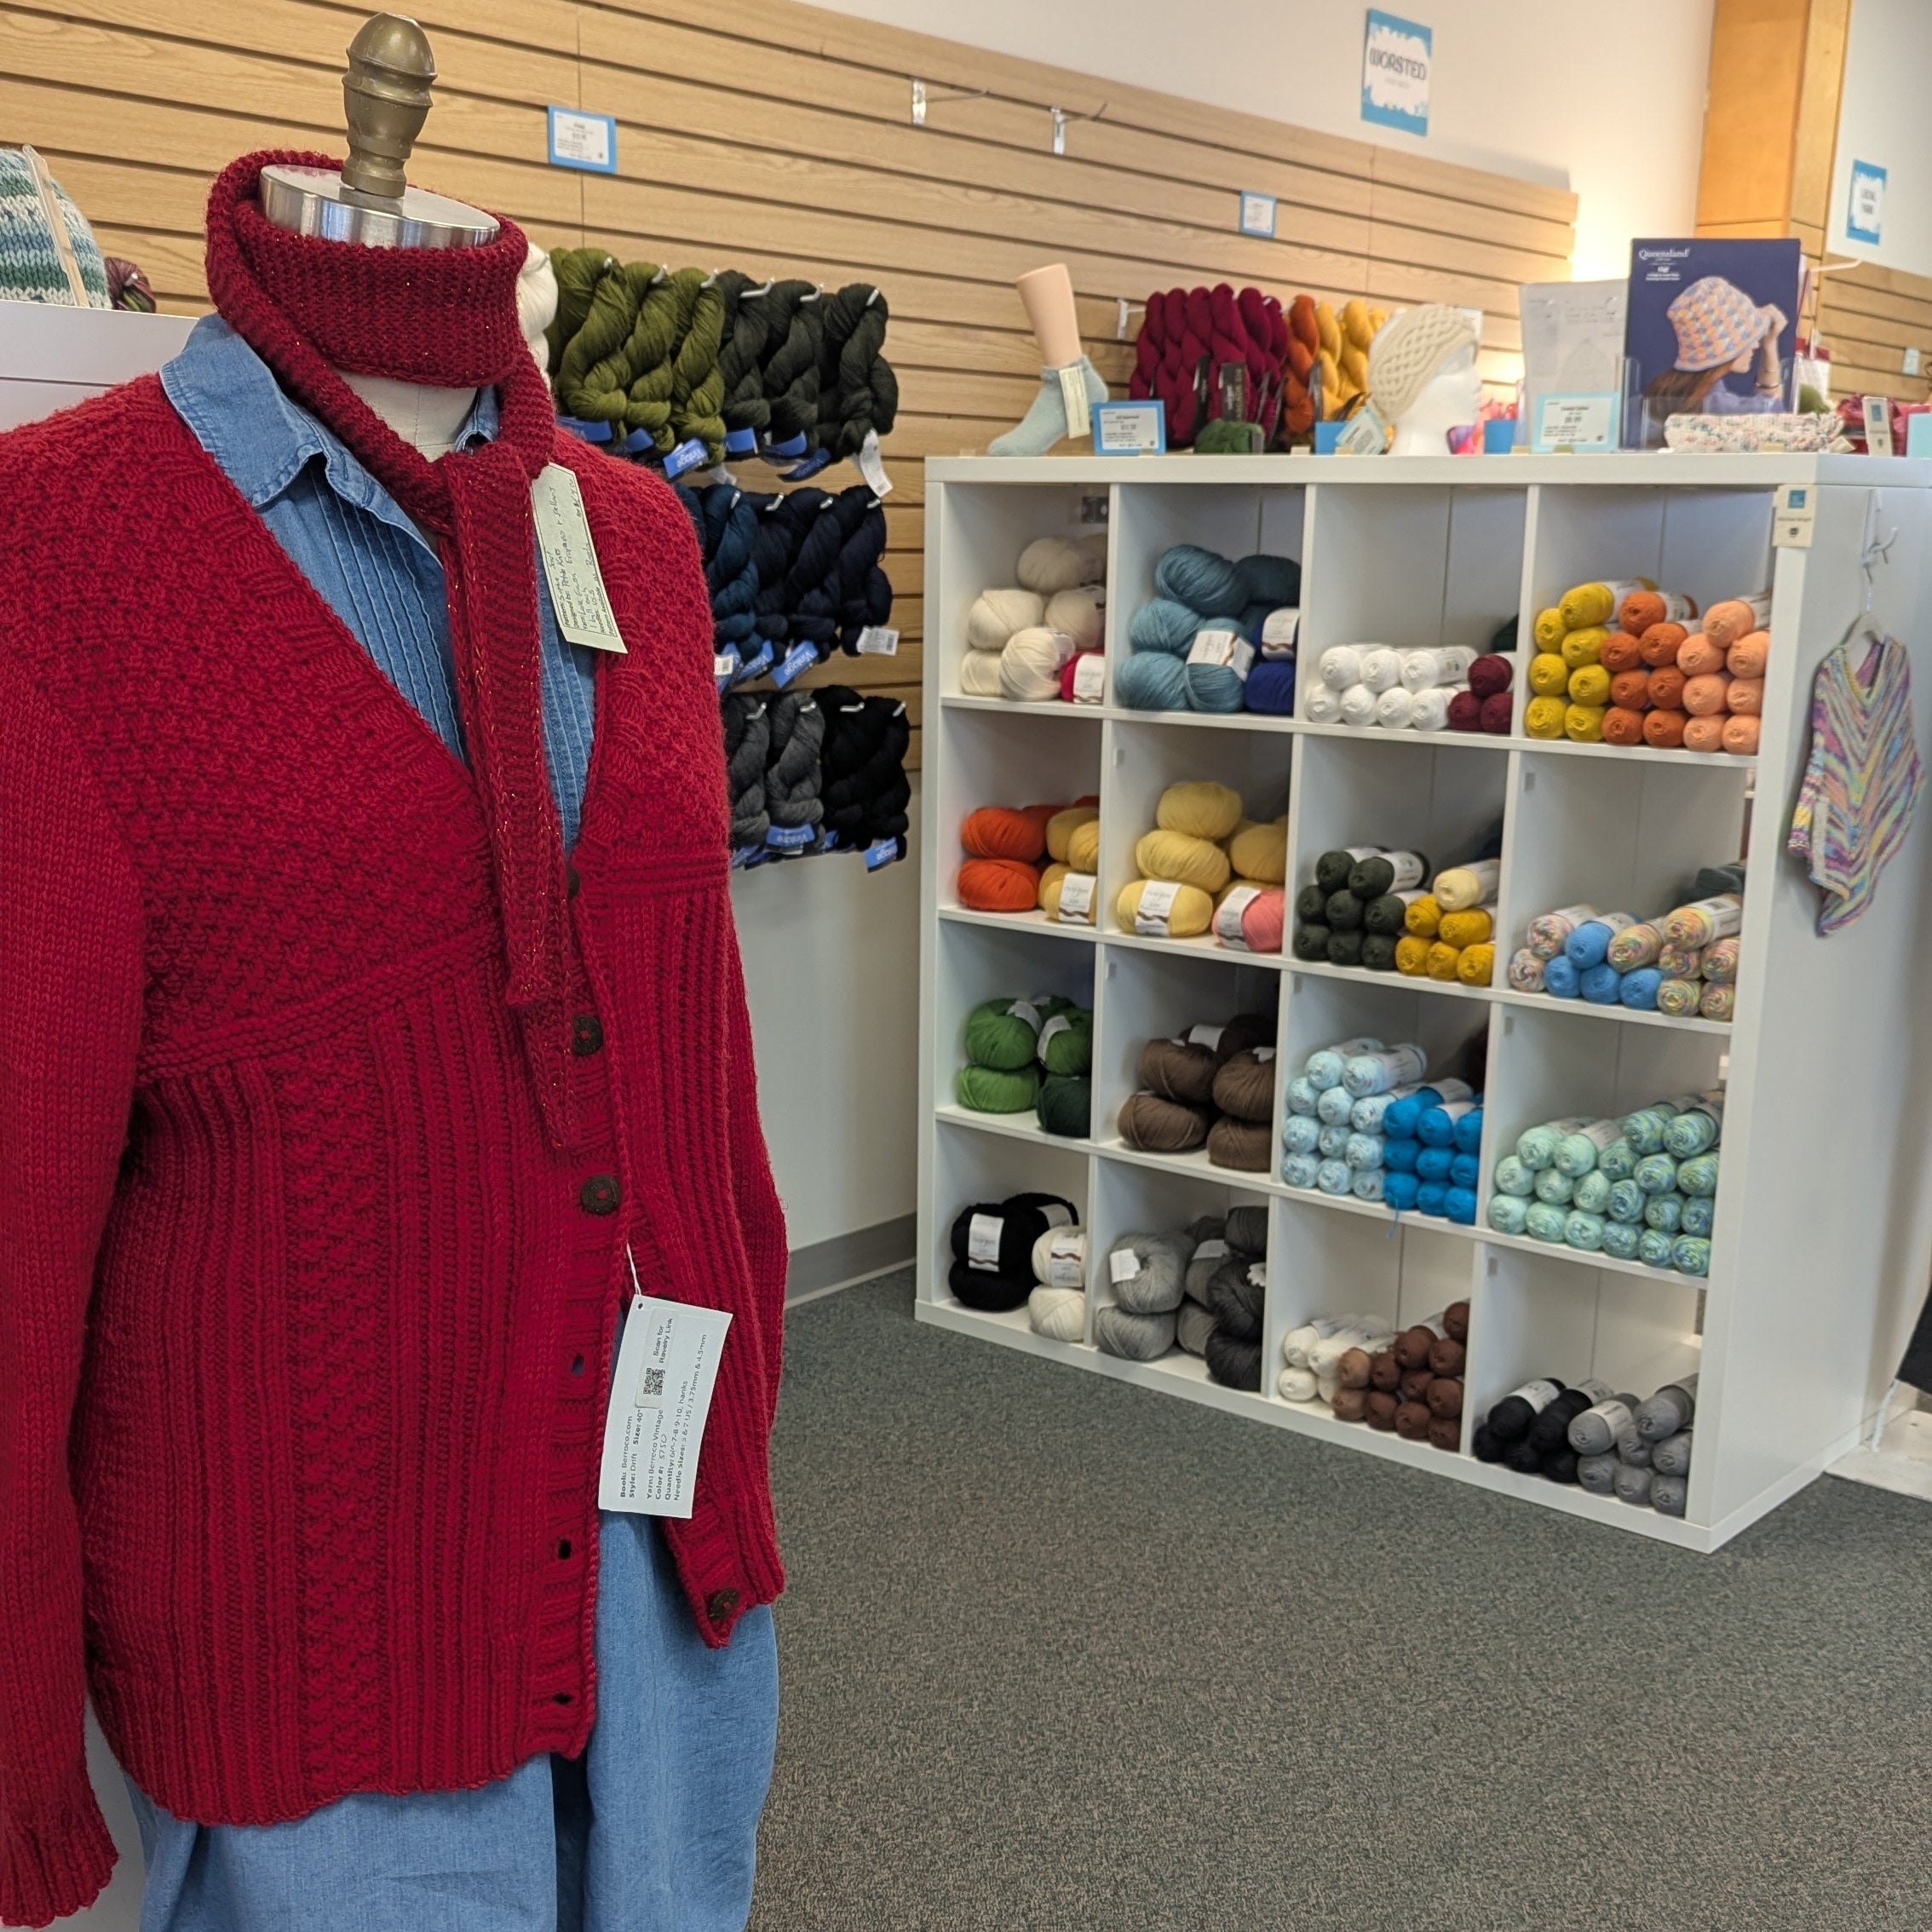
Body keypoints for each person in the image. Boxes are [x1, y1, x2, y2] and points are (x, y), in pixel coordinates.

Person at [1643, 274, 1788, 417]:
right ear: (1723, 347)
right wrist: (1770, 346)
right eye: (1747, 338)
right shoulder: (1719, 405)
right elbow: (1772, 415)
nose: (1756, 345)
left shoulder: (1671, 394)